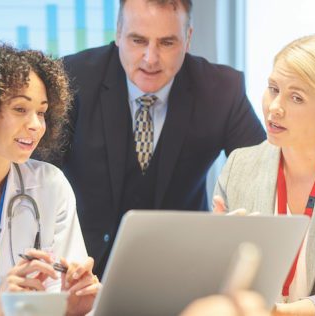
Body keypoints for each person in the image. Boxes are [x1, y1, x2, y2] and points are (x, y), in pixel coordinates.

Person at [60, 0, 265, 277]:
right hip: (83, 269)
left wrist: (232, 224)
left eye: (167, 43)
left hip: (185, 269)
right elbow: (37, 179)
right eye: (138, 40)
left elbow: (263, 173)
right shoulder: (72, 79)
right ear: (118, 33)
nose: (150, 59)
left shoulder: (222, 90)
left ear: (188, 38)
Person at [213, 33, 315, 316]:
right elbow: (217, 281)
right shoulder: (240, 165)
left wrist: (277, 313)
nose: (275, 107)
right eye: (273, 88)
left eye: (296, 97)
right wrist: (218, 248)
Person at [0, 40, 100, 316]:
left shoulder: (50, 184)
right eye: (20, 109)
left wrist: (72, 304)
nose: (35, 124)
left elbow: (60, 289)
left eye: (41, 112)